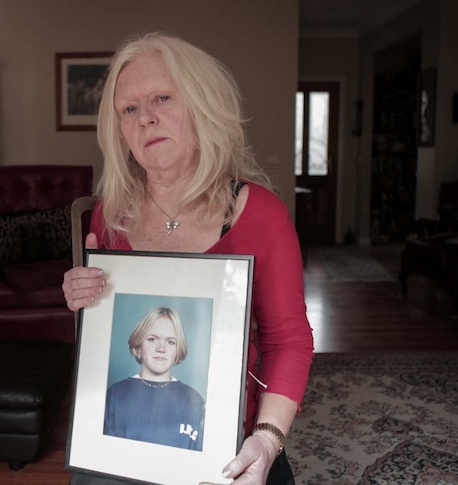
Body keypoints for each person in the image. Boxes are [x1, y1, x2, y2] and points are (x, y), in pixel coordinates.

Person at [63, 32, 314, 485]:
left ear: (200, 106)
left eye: (163, 97)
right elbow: (102, 334)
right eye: (129, 109)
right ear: (119, 129)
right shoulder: (111, 216)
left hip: (228, 449)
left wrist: (267, 439)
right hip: (124, 448)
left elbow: (288, 340)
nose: (146, 118)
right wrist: (82, 298)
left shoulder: (261, 214)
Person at [104, 306, 205, 451]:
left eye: (170, 342)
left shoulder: (194, 400)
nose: (161, 348)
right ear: (138, 347)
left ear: (178, 350)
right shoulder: (115, 394)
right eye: (152, 339)